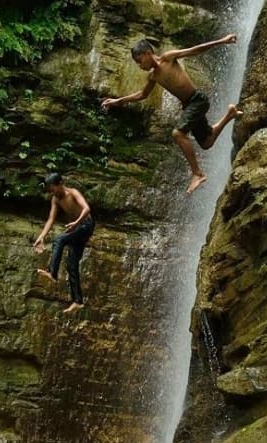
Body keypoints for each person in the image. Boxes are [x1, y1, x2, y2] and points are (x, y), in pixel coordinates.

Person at [101, 35, 241, 194]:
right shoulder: (153, 76)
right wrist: (118, 101)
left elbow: (194, 50)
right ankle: (230, 114)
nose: (140, 66)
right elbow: (142, 94)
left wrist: (222, 41)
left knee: (178, 133)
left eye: (140, 61)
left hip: (197, 100)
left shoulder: (168, 58)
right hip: (189, 105)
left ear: (148, 53)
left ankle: (197, 173)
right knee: (207, 142)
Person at [33, 173, 94, 314]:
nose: (52, 192)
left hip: (86, 225)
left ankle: (52, 272)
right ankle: (78, 301)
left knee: (59, 239)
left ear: (60, 184)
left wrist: (76, 223)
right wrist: (41, 236)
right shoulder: (55, 200)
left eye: (53, 189)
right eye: (50, 190)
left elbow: (87, 209)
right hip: (77, 228)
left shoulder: (73, 193)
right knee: (71, 264)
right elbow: (51, 219)